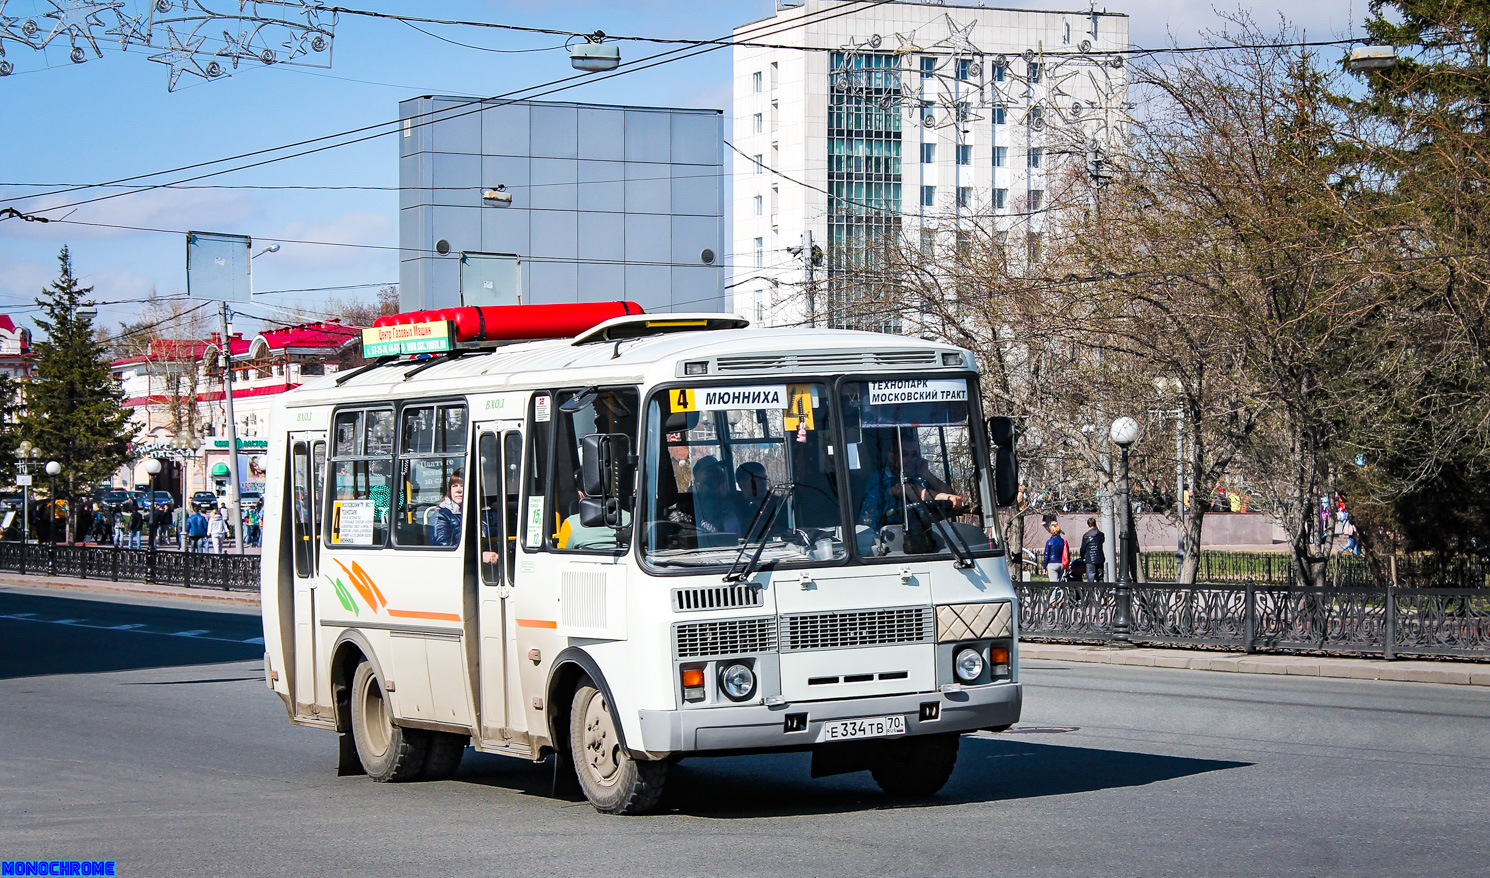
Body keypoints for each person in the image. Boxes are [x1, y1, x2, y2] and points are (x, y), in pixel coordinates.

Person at [857, 435, 970, 532]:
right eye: (905, 454)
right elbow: (908, 490)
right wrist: (948, 498)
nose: (911, 459)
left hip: (913, 534)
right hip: (878, 539)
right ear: (892, 457)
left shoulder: (916, 477)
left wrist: (927, 473)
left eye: (914, 454)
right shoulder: (882, 478)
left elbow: (953, 496)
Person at [430, 470, 464, 547]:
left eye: (462, 485)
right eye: (454, 486)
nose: (458, 490)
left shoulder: (487, 513)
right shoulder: (441, 515)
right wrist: (480, 554)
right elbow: (442, 544)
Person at [1079, 517, 1105, 582]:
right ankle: (1101, 591)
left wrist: (1082, 557)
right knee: (1100, 577)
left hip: (1090, 559)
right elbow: (1102, 541)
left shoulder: (1086, 536)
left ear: (1088, 525)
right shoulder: (1101, 534)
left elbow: (1083, 548)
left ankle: (1091, 591)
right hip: (1100, 558)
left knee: (1091, 578)